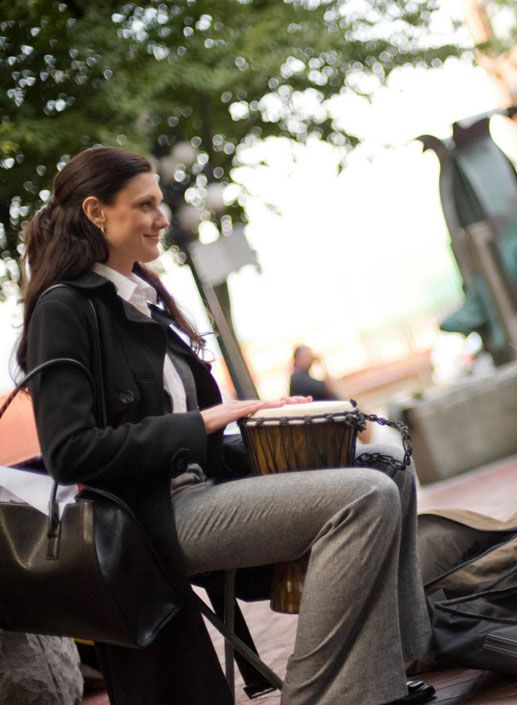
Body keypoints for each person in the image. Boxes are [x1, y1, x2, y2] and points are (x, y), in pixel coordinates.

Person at [16, 146, 434, 705]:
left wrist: (280, 435)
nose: (161, 219)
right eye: (145, 206)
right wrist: (203, 422)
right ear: (96, 212)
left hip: (202, 492)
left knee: (386, 465)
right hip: (154, 518)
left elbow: (198, 433)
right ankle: (320, 695)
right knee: (362, 497)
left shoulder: (142, 300)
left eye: (160, 204)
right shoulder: (62, 309)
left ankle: (381, 673)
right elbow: (73, 453)